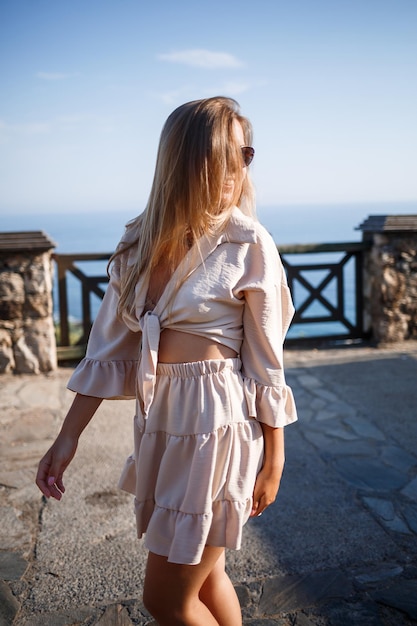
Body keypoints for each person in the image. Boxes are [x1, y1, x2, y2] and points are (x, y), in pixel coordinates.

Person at [36, 96, 297, 626]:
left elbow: (269, 361)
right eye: (223, 155)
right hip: (161, 422)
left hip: (217, 423)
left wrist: (275, 457)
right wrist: (68, 437)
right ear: (187, 161)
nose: (236, 170)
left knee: (166, 600)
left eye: (244, 155)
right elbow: (109, 350)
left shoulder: (247, 242)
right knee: (207, 580)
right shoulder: (137, 243)